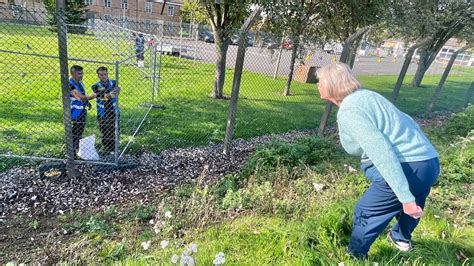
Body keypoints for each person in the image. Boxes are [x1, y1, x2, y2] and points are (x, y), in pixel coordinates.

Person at [316, 62, 440, 259]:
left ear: (330, 86)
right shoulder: (370, 96)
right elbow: (407, 121)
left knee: (367, 211)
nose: (317, 86)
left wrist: (405, 198)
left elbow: (382, 152)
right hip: (429, 161)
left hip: (407, 166)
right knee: (414, 199)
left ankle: (355, 255)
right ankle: (401, 238)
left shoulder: (349, 111)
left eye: (320, 82)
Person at [91, 66, 120, 156]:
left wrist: (109, 94)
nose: (104, 76)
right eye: (101, 75)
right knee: (105, 130)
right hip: (103, 113)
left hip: (114, 111)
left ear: (107, 74)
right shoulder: (96, 86)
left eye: (105, 74)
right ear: (98, 75)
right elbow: (102, 96)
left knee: (114, 129)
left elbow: (117, 91)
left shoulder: (114, 82)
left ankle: (114, 148)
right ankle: (107, 148)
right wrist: (108, 95)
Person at [69, 65, 96, 157]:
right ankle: (71, 153)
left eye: (82, 73)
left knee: (79, 132)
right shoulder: (70, 85)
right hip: (74, 113)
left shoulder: (80, 83)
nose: (81, 75)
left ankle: (76, 151)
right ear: (72, 74)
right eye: (79, 73)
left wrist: (87, 102)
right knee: (74, 133)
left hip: (81, 111)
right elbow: (80, 97)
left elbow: (83, 94)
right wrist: (95, 95)